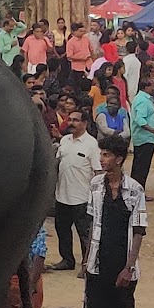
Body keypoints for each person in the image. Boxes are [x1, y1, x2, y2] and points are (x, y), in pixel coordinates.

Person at [64, 136, 146, 308]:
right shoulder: (96, 185)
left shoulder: (135, 190)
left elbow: (139, 231)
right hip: (98, 262)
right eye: (102, 154)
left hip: (122, 263)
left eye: (107, 155)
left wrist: (128, 267)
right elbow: (91, 225)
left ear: (119, 159)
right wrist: (86, 260)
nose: (102, 159)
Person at [51, 108, 100, 273]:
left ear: (85, 123)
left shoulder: (92, 144)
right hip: (62, 196)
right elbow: (57, 164)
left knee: (84, 233)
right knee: (62, 230)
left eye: (75, 120)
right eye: (70, 119)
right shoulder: (64, 140)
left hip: (82, 197)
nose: (71, 123)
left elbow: (98, 172)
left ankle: (88, 265)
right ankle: (67, 260)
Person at [129, 73, 154, 186]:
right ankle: (138, 190)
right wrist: (153, 131)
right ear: (146, 87)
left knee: (140, 167)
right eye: (153, 86)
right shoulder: (142, 100)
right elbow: (140, 120)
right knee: (141, 168)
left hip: (146, 138)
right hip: (144, 138)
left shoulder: (144, 98)